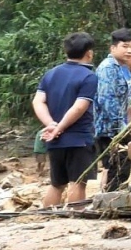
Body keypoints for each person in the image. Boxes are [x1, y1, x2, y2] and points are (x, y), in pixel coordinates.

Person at [32, 32, 99, 208]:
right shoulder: (89, 76)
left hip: (54, 139)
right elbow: (79, 107)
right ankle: (74, 219)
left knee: (57, 184)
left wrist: (51, 125)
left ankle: (46, 218)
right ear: (89, 53)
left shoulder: (51, 74)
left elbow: (38, 101)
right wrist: (59, 127)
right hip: (78, 138)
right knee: (78, 182)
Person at [94, 28, 131, 192]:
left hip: (123, 127)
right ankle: (108, 202)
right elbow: (107, 101)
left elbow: (128, 101)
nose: (129, 50)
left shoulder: (124, 69)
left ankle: (109, 199)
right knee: (116, 169)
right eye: (125, 46)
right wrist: (121, 131)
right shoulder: (108, 68)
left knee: (121, 169)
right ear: (113, 48)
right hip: (111, 130)